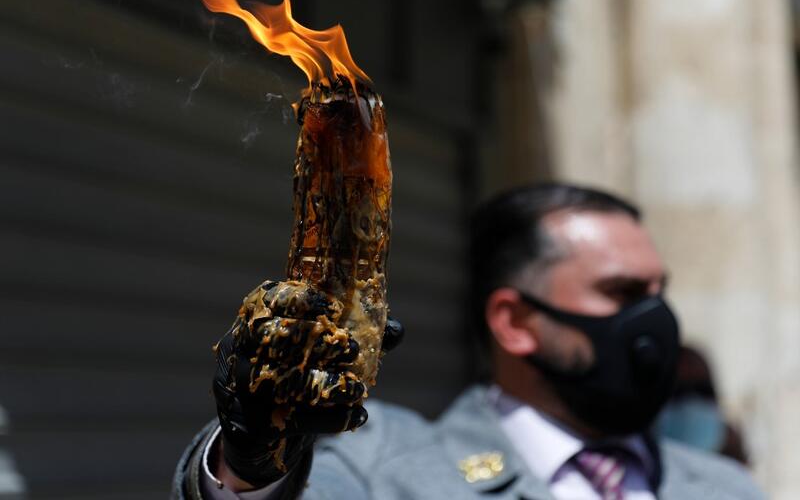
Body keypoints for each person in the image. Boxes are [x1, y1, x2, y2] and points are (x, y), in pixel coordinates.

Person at [173, 183, 765, 499]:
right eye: (621, 292)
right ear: (513, 321)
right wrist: (253, 464)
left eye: (658, 292)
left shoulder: (726, 487)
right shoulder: (381, 462)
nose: (654, 319)